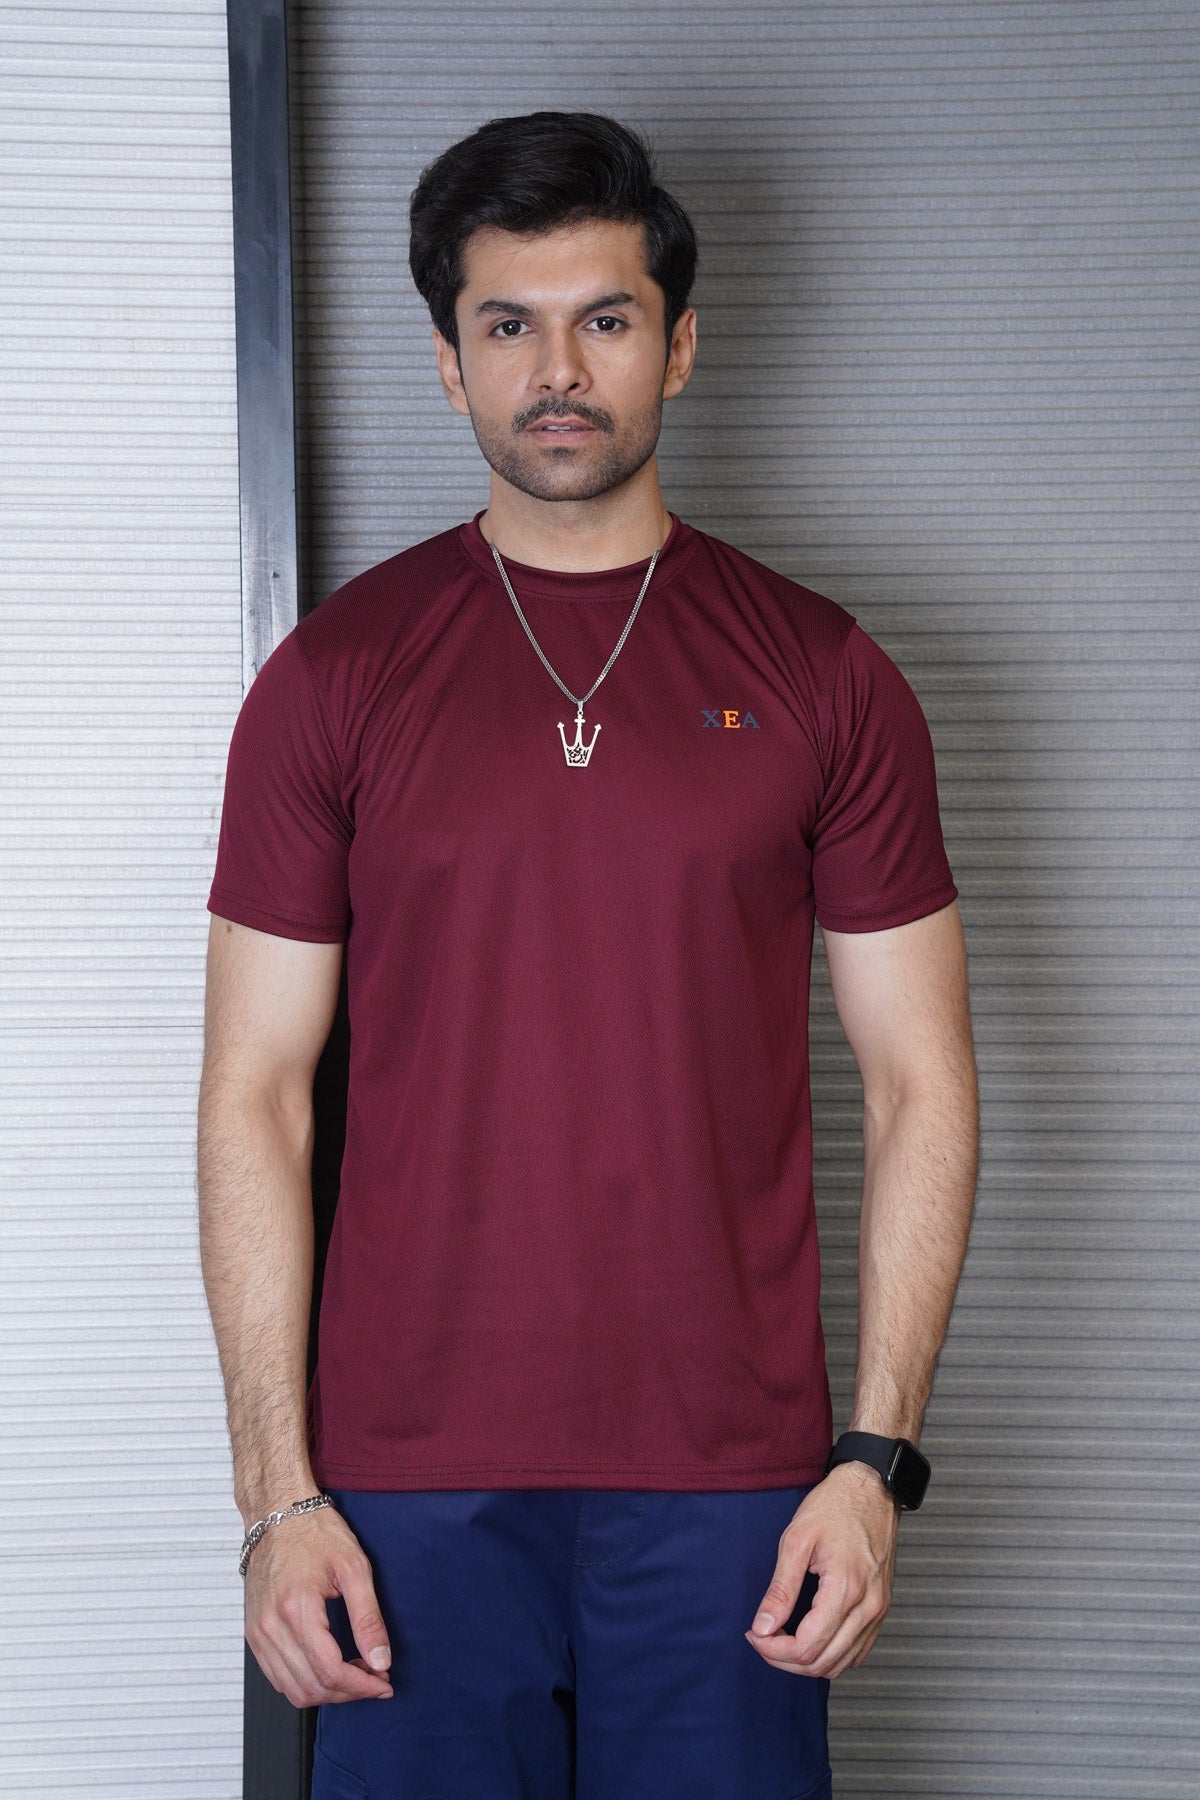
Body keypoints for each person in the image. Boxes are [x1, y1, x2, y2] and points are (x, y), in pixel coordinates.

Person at [198, 109, 979, 1800]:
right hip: (400, 1493)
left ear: (679, 346)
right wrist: (277, 1490)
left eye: (604, 319)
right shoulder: (335, 677)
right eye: (509, 324)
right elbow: (256, 1091)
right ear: (448, 361)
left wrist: (872, 1459)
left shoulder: (827, 674)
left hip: (738, 1488)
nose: (558, 368)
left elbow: (921, 1081)